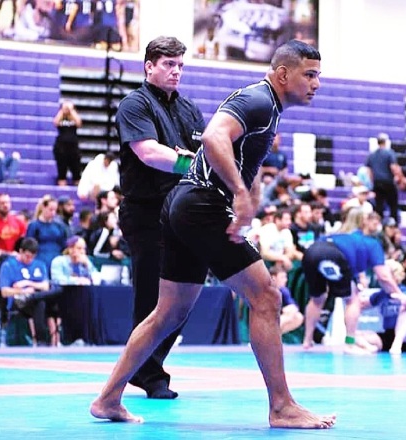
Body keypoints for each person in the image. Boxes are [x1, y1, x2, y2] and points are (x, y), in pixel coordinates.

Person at [90, 39, 334, 429]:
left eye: (318, 75)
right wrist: (238, 193)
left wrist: (248, 193)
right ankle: (282, 406)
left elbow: (237, 156)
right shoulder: (258, 100)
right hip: (202, 204)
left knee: (168, 312)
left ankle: (107, 399)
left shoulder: (266, 106)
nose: (316, 83)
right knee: (267, 297)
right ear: (284, 73)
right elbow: (214, 138)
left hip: (184, 203)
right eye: (310, 74)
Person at [112, 36, 205, 400]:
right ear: (149, 66)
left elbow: (207, 149)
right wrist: (190, 161)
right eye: (169, 64)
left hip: (184, 211)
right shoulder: (134, 105)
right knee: (151, 298)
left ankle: (148, 366)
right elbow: (149, 153)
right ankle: (148, 373)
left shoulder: (190, 110)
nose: (176, 71)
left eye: (180, 65)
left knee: (185, 298)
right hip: (146, 213)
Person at [301, 208, 404, 356]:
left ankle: (307, 340)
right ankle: (349, 344)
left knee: (318, 298)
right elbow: (384, 276)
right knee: (353, 300)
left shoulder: (347, 238)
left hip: (311, 252)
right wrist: (399, 294)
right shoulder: (374, 244)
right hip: (333, 255)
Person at [357, 259, 406, 354]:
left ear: (394, 276)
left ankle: (397, 344)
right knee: (355, 336)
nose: (379, 277)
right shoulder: (381, 295)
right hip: (388, 336)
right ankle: (369, 347)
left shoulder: (403, 291)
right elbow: (360, 304)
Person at [364, 132, 406, 223]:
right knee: (393, 205)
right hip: (388, 182)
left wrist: (373, 182)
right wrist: (401, 179)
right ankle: (393, 224)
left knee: (379, 206)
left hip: (377, 183)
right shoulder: (389, 153)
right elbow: (394, 167)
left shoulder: (372, 155)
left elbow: (369, 171)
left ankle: (378, 223)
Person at [52, 99, 83, 186]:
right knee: (62, 168)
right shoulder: (61, 117)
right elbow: (55, 122)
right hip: (61, 146)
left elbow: (79, 123)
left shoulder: (74, 117)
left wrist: (71, 110)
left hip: (73, 146)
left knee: (76, 168)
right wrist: (62, 110)